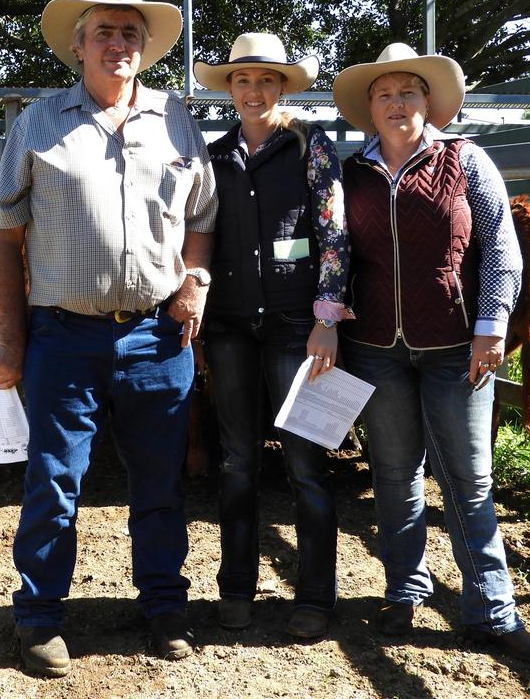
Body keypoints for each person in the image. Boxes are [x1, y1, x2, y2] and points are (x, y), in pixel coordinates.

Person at [0, 0, 218, 678]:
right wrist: (11, 339)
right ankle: (39, 617)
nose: (116, 43)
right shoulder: (38, 122)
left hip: (155, 334)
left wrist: (195, 281)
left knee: (160, 481)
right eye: (103, 32)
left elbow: (202, 217)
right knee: (54, 481)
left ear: (143, 49)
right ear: (78, 46)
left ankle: (164, 606)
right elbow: (1, 231)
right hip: (64, 332)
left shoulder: (177, 119)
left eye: (128, 33)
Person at [331, 43, 530, 665]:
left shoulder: (467, 160)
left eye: (409, 91)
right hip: (376, 347)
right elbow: (337, 256)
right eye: (385, 93)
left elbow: (501, 250)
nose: (397, 102)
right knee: (395, 476)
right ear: (369, 109)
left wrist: (491, 325)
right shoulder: (354, 174)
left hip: (458, 347)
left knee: (469, 476)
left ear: (428, 101)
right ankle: (404, 591)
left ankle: (492, 609)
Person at [192, 33, 350, 638]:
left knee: (306, 462)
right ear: (228, 89)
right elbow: (201, 233)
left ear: (282, 85)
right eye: (241, 80)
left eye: (265, 80)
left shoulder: (311, 146)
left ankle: (315, 596)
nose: (253, 90)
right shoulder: (215, 154)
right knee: (236, 460)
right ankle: (236, 589)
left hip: (298, 330)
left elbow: (334, 233)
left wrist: (327, 319)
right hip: (231, 325)